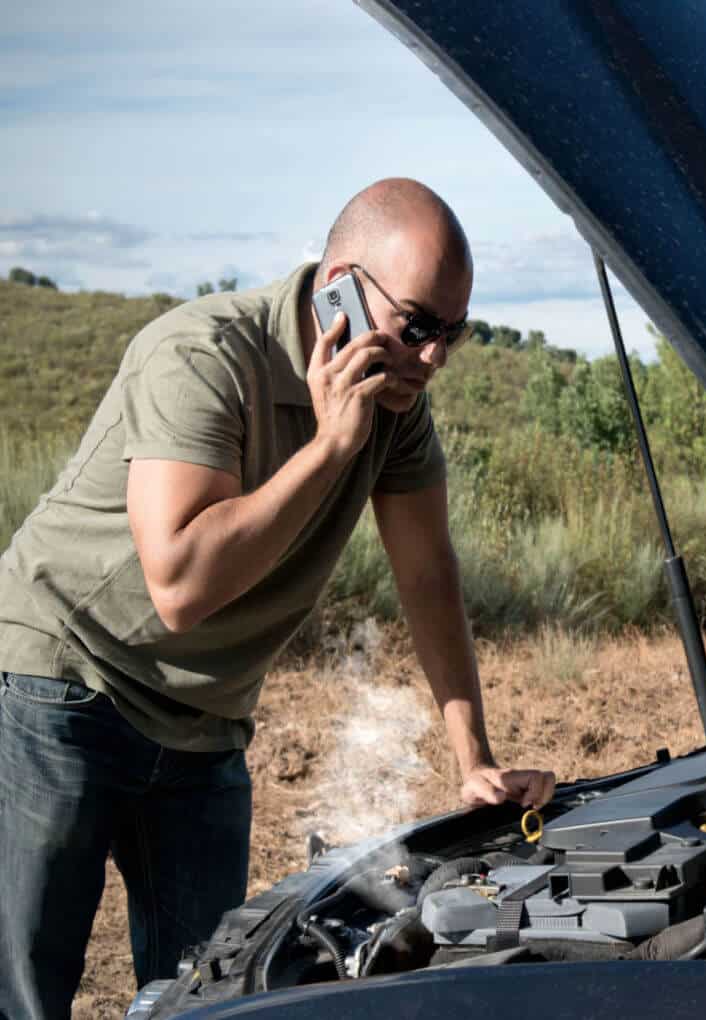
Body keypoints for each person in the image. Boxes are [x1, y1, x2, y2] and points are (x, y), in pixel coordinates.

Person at [0, 178, 555, 1019]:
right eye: (418, 325)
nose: (434, 357)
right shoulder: (201, 353)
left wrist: (471, 754)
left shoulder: (396, 401)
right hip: (63, 678)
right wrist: (332, 445)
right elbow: (182, 586)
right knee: (28, 993)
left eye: (455, 333)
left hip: (203, 721)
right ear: (340, 284)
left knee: (216, 995)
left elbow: (428, 576)